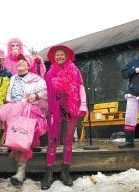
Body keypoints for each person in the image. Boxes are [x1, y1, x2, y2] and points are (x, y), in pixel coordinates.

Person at [41, 44, 88, 189]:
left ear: (67, 56)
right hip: (55, 110)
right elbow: (46, 92)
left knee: (68, 140)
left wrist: (83, 104)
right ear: (54, 58)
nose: (59, 56)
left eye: (62, 54)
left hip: (69, 108)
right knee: (52, 140)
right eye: (57, 55)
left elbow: (80, 87)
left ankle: (65, 173)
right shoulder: (49, 73)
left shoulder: (75, 70)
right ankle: (48, 174)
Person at [0, 54, 47, 186]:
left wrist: (35, 95)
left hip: (29, 111)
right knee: (15, 140)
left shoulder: (36, 78)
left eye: (23, 62)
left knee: (22, 139)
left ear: (28, 65)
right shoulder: (13, 78)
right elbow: (9, 95)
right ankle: (21, 171)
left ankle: (20, 171)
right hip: (13, 111)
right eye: (18, 62)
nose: (20, 63)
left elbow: (45, 92)